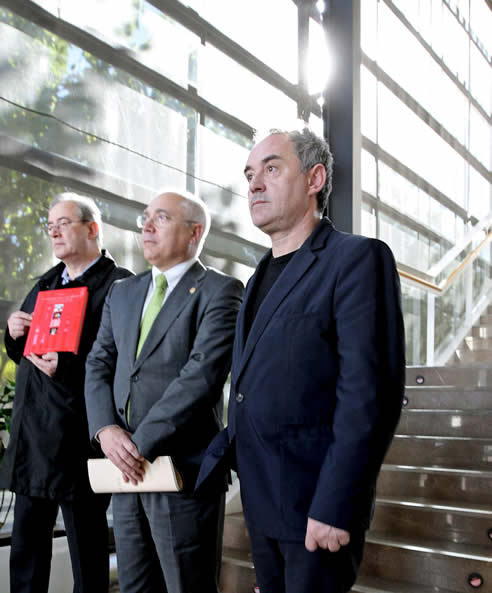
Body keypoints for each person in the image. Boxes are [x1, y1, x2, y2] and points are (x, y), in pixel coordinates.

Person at [197, 129, 405, 593]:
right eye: (250, 174)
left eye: (271, 169)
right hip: (262, 498)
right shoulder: (255, 280)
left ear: (315, 178)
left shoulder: (356, 260)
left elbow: (369, 396)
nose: (253, 183)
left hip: (316, 506)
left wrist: (336, 504)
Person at [84, 190, 244, 593]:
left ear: (195, 232)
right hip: (125, 472)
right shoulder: (123, 292)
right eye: (145, 217)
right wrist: (106, 430)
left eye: (162, 218)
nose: (147, 226)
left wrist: (137, 443)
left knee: (186, 586)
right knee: (134, 586)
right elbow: (98, 364)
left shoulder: (221, 291)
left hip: (182, 473)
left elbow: (201, 377)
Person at [0, 192, 133, 593]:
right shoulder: (47, 282)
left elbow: (124, 359)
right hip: (35, 436)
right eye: (50, 226)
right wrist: (13, 333)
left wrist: (69, 367)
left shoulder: (119, 284)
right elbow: (25, 353)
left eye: (63, 224)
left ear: (92, 229)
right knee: (26, 549)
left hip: (81, 436)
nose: (54, 232)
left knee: (88, 552)